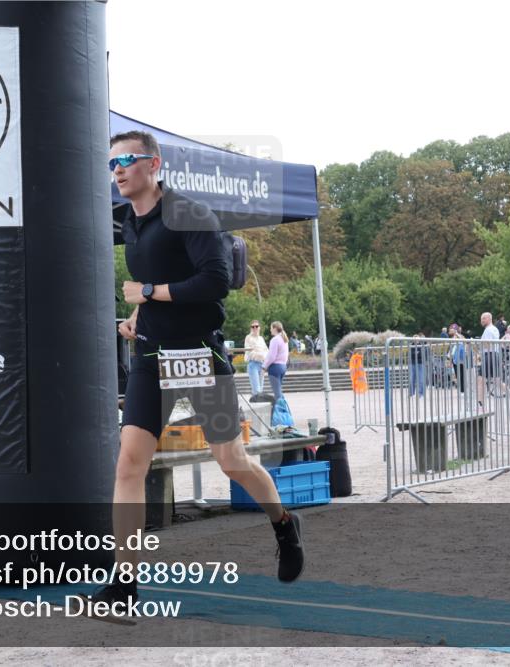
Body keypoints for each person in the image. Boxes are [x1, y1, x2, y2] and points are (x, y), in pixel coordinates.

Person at [99, 130, 304, 612]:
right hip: (151, 355)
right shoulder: (130, 220)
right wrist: (137, 317)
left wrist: (148, 292)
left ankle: (282, 523)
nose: (118, 170)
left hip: (196, 355)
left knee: (231, 461)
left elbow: (213, 282)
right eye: (112, 163)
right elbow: (158, 289)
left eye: (127, 160)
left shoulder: (189, 213)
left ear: (154, 163)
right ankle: (123, 585)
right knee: (130, 463)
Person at [476, 312, 502, 405]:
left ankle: (480, 402)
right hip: (494, 355)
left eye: (483, 318)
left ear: (489, 319)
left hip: (489, 355)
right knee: (496, 379)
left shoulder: (488, 330)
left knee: (481, 379)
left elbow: (487, 344)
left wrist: (477, 344)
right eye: (481, 318)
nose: (481, 320)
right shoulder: (495, 329)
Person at [263, 321, 290, 402]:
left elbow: (271, 356)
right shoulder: (284, 339)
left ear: (275, 328)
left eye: (271, 328)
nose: (270, 330)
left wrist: (264, 366)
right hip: (282, 367)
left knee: (277, 394)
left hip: (275, 368)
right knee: (279, 392)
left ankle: (281, 412)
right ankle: (284, 411)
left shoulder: (275, 340)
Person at [243, 320, 269, 396]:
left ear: (259, 328)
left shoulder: (261, 338)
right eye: (253, 326)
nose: (255, 328)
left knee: (260, 388)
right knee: (256, 389)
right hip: (253, 364)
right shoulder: (248, 337)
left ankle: (257, 405)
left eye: (256, 326)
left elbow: (267, 351)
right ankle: (255, 404)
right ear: (251, 328)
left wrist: (263, 356)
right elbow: (249, 352)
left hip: (262, 364)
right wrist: (261, 355)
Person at [408, 333, 428, 397]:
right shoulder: (411, 346)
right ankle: (411, 393)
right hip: (412, 364)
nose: (416, 340)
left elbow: (423, 355)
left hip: (420, 363)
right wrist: (417, 354)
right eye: (415, 339)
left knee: (421, 379)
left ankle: (421, 393)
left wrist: (416, 354)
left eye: (417, 339)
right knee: (411, 379)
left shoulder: (422, 345)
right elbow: (411, 355)